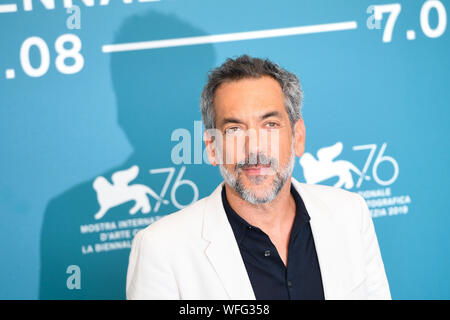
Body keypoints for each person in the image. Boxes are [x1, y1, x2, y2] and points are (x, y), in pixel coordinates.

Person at [126, 54, 391, 300]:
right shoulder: (161, 249)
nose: (254, 148)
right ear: (211, 148)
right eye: (234, 129)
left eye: (271, 125)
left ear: (298, 137)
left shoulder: (350, 214)